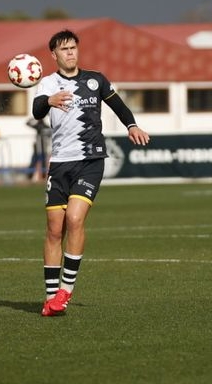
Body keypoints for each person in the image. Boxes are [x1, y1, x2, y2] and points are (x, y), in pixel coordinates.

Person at [32, 29, 150, 316]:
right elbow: (36, 110)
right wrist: (49, 101)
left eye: (73, 48)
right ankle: (51, 298)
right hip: (60, 163)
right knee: (53, 230)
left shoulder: (95, 80)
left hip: (90, 160)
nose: (70, 53)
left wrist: (131, 125)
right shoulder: (47, 83)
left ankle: (66, 291)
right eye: (64, 49)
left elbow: (118, 105)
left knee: (74, 218)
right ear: (54, 55)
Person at [26, 116, 51, 182]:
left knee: (35, 161)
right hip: (41, 146)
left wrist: (33, 119)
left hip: (41, 146)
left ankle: (30, 175)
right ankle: (40, 176)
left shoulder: (39, 126)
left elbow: (28, 123)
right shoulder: (45, 126)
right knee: (40, 161)